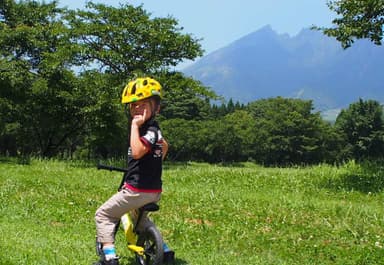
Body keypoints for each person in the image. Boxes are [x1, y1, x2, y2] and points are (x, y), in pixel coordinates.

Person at [94, 77, 168, 265]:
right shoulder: (155, 132)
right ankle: (165, 251)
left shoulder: (148, 130)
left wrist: (134, 126)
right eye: (132, 105)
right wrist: (155, 159)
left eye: (143, 105)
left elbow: (136, 152)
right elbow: (164, 146)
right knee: (139, 219)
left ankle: (109, 257)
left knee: (104, 214)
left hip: (137, 189)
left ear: (156, 108)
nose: (136, 109)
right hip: (153, 190)